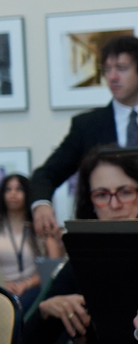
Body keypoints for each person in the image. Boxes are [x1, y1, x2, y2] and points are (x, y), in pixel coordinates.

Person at [23, 147, 138, 344]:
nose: (114, 205)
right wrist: (48, 310)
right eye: (101, 195)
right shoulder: (84, 259)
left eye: (125, 191)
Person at [28, 35, 138, 243]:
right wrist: (41, 204)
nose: (112, 77)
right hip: (105, 240)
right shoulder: (87, 125)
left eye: (122, 68)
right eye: (107, 69)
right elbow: (46, 174)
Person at [0, 173, 61, 310]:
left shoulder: (39, 225)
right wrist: (1, 283)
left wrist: (26, 284)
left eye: (19, 189)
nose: (13, 194)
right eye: (8, 189)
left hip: (31, 289)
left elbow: (54, 267)